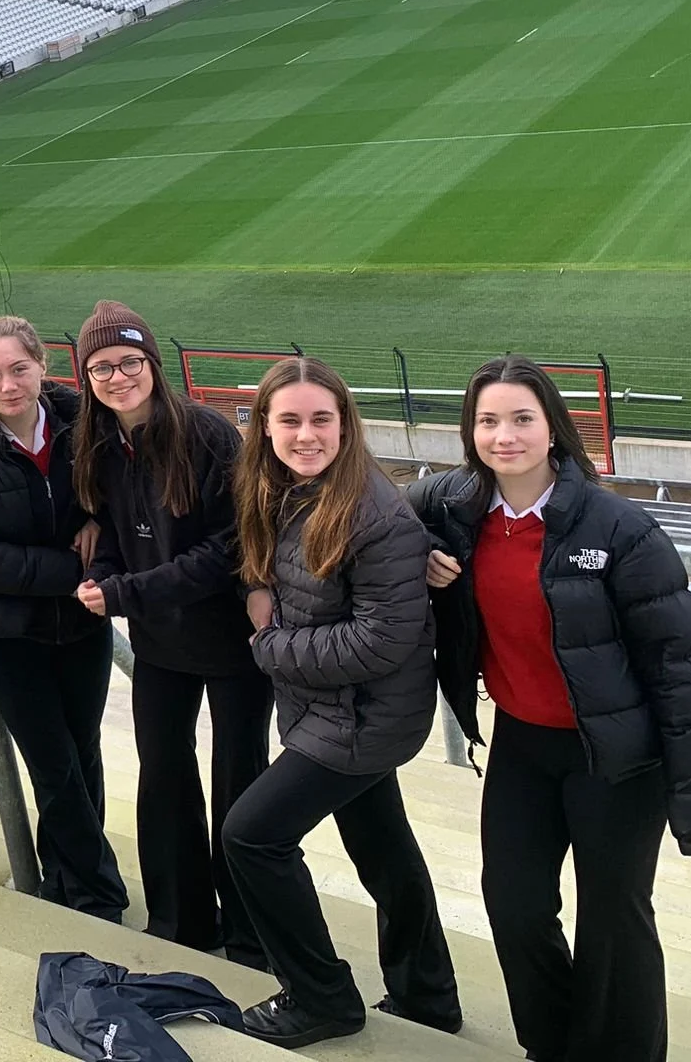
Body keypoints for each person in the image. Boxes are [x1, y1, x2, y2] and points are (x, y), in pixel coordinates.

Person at [411, 356, 691, 1062]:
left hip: (615, 758)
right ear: (470, 432)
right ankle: (554, 1046)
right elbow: (385, 519)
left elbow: (677, 669)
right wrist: (426, 549)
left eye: (522, 418)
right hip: (522, 745)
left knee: (614, 921)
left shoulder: (620, 529)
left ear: (553, 427)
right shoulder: (454, 509)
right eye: (488, 421)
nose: (505, 435)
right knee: (516, 908)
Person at [221, 356, 461, 1048]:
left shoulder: (373, 514)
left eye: (321, 419)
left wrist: (267, 648)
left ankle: (321, 997)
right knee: (381, 844)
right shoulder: (283, 490)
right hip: (334, 710)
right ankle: (428, 997)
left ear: (345, 425)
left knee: (252, 836)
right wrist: (254, 595)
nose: (306, 434)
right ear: (264, 427)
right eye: (289, 420)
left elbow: (378, 642)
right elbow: (264, 575)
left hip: (364, 718)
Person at [70, 301, 271, 965]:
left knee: (239, 782)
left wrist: (124, 593)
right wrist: (100, 575)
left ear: (152, 364)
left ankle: (249, 933)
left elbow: (227, 550)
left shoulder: (209, 435)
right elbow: (103, 531)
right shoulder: (96, 445)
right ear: (86, 376)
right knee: (163, 777)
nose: (118, 375)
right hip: (160, 645)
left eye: (129, 361)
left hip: (232, 641)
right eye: (102, 366)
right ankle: (182, 922)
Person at [0, 315, 128, 921]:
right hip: (7, 632)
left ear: (42, 365)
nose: (9, 384)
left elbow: (121, 500)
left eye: (19, 369)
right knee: (54, 763)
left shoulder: (84, 426)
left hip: (82, 624)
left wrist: (102, 526)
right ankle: (100, 896)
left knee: (82, 753)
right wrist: (73, 573)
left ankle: (65, 881)